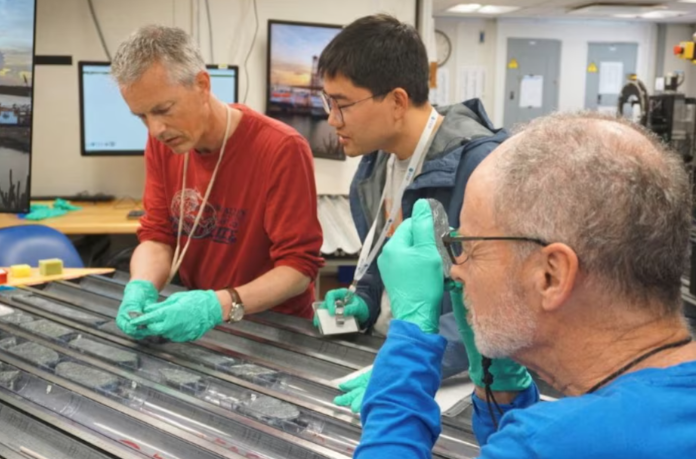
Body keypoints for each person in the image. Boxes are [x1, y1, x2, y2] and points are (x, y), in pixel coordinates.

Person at [356, 112, 696, 458]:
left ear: (551, 276)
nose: (457, 271)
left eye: (471, 248)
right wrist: (501, 392)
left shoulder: (552, 444)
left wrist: (409, 343)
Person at [314, 14, 508, 412]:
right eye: (327, 102)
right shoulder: (376, 167)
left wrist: (411, 367)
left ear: (397, 101)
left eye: (343, 104)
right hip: (396, 354)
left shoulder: (480, 169)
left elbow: (496, 305)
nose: (331, 119)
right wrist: (365, 300)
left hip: (454, 381)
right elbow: (387, 259)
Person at [111, 25, 323, 343]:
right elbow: (158, 237)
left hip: (275, 330)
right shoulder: (162, 144)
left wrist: (219, 304)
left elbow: (298, 268)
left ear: (202, 84)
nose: (155, 129)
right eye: (141, 116)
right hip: (206, 327)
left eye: (163, 110)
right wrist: (140, 286)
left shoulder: (280, 148)